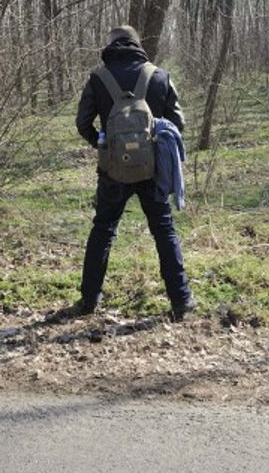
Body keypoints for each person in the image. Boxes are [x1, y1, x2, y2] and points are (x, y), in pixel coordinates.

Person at [74, 25, 195, 320]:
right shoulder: (159, 76)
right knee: (163, 230)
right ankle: (181, 301)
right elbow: (178, 124)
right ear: (137, 45)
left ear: (111, 45)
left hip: (112, 170)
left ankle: (89, 301)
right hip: (152, 170)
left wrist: (101, 143)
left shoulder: (98, 78)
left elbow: (82, 123)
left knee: (103, 230)